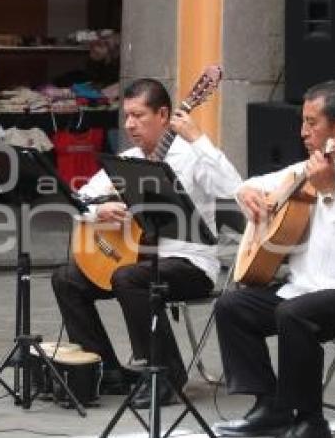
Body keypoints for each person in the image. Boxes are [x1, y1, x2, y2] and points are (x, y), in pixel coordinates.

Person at [213, 80, 335, 438]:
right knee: (232, 306)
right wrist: (245, 192)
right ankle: (271, 406)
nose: (302, 132)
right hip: (306, 287)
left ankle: (311, 423)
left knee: (293, 314)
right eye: (303, 121)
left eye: (312, 123)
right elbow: (251, 184)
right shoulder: (309, 167)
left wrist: (331, 192)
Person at [51, 78, 242, 408]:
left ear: (164, 115)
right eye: (127, 116)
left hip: (189, 263)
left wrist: (199, 139)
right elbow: (80, 199)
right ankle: (107, 370)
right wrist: (100, 209)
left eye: (138, 115)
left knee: (129, 278)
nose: (129, 124)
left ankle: (165, 374)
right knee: (66, 278)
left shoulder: (194, 155)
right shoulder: (127, 158)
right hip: (135, 259)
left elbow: (235, 190)